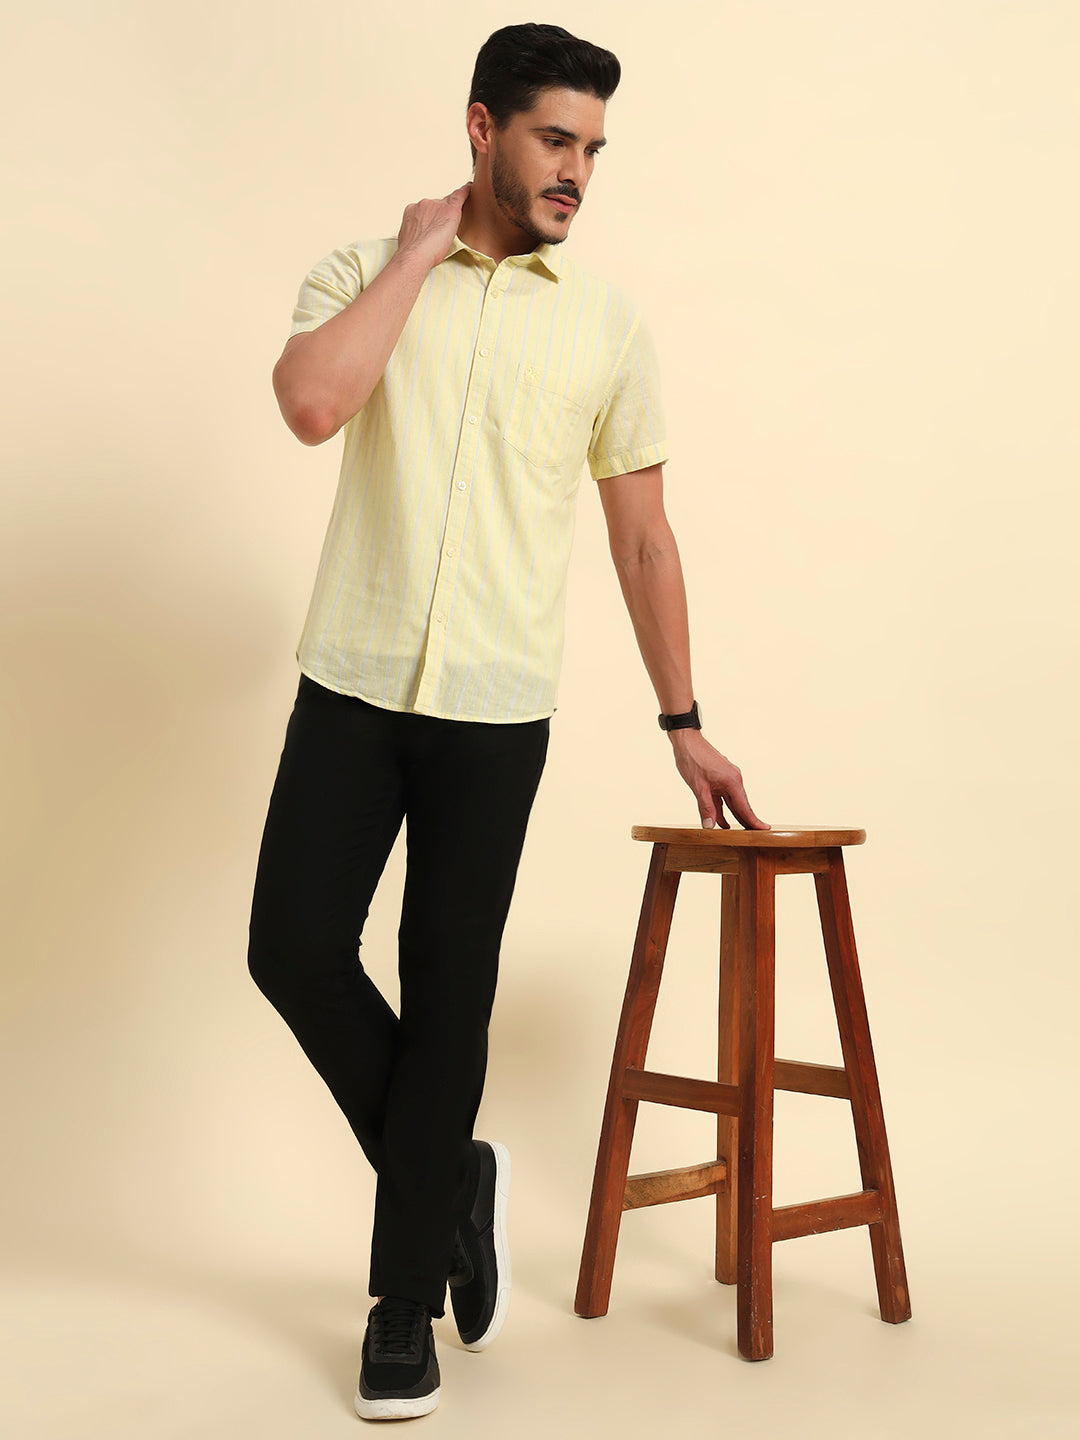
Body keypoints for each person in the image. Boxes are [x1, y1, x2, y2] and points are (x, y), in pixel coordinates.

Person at [248, 21, 769, 1423]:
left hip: (495, 713)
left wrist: (684, 718)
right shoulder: (366, 272)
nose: (576, 170)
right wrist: (417, 257)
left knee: (448, 997)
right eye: (553, 138)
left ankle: (400, 1308)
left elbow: (644, 539)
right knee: (290, 948)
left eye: (592, 148)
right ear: (482, 129)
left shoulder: (605, 326)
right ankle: (452, 1182)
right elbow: (311, 404)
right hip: (352, 681)